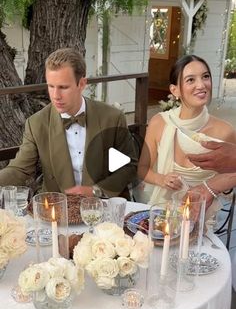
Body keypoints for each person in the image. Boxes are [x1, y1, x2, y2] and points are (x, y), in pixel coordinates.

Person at [0, 47, 137, 198]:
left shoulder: (112, 117)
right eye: (51, 86)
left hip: (102, 205)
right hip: (56, 208)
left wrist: (95, 191)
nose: (55, 95)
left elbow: (129, 166)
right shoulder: (36, 123)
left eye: (63, 87)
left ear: (82, 84)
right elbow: (20, 169)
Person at [137, 54, 236, 217]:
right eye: (191, 80)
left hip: (202, 217)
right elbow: (142, 169)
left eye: (205, 77)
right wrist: (162, 179)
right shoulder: (158, 123)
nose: (201, 85)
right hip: (160, 213)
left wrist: (213, 188)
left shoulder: (225, 131)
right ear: (174, 90)